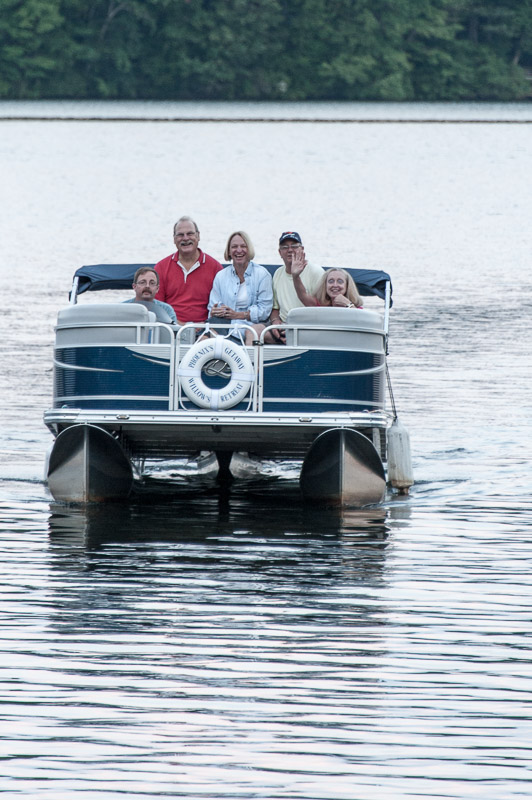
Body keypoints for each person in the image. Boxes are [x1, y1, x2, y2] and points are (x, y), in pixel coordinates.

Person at [207, 231, 272, 345]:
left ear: (249, 249)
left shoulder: (262, 274)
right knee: (207, 335)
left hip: (252, 325)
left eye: (243, 246)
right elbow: (212, 307)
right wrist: (215, 311)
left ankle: (247, 357)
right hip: (225, 326)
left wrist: (238, 315)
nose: (239, 250)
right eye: (234, 247)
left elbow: (264, 311)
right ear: (229, 251)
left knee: (251, 333)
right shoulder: (221, 276)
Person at [155, 216, 222, 324]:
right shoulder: (161, 268)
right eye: (180, 235)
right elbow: (158, 307)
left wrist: (204, 326)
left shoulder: (215, 268)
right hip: (171, 327)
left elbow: (219, 307)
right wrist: (179, 325)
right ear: (174, 239)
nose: (185, 238)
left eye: (190, 234)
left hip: (205, 328)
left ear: (198, 236)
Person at [265, 231, 324, 343]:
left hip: (309, 328)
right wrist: (275, 322)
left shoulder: (316, 272)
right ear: (279, 252)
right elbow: (275, 308)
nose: (290, 250)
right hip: (283, 327)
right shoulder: (278, 273)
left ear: (302, 249)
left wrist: (295, 275)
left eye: (294, 246)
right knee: (255, 332)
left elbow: (321, 308)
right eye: (285, 247)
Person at [291, 263, 363, 309]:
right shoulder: (319, 306)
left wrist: (348, 304)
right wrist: (295, 276)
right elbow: (302, 295)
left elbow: (361, 320)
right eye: (331, 281)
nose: (335, 285)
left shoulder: (356, 308)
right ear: (325, 285)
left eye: (340, 281)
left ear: (347, 286)